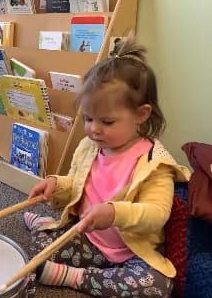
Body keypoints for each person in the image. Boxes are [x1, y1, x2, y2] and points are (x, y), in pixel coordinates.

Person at [23, 38, 190, 297]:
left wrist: (114, 213)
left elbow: (157, 214)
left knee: (157, 285)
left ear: (141, 114)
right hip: (89, 241)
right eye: (88, 119)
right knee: (40, 247)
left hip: (131, 253)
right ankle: (45, 226)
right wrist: (55, 185)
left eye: (107, 121)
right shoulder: (90, 146)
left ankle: (75, 277)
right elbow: (75, 187)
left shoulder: (155, 163)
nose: (94, 129)